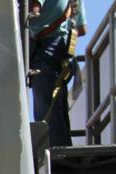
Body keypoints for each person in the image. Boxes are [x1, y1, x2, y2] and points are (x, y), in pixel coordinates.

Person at [28, 0, 86, 147]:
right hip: (63, 53)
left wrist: (58, 20)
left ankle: (55, 154)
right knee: (58, 110)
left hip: (45, 53)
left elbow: (31, 15)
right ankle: (63, 151)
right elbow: (82, 28)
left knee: (48, 113)